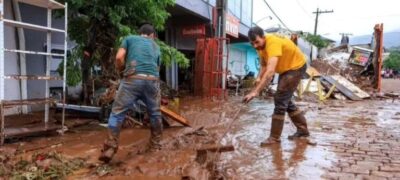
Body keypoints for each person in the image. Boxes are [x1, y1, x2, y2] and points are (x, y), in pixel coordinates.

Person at [99, 24, 162, 163]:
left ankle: (110, 148)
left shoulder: (129, 39)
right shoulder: (156, 46)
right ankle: (155, 147)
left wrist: (122, 71)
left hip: (132, 78)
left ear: (140, 33)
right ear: (152, 35)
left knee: (117, 113)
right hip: (152, 81)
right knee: (155, 114)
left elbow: (119, 58)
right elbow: (157, 68)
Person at [243, 26, 310, 146]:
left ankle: (274, 138)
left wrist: (255, 91)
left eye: (257, 42)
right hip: (286, 69)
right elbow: (264, 65)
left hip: (296, 67)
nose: (255, 46)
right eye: (252, 43)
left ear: (263, 37)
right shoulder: (260, 47)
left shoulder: (272, 43)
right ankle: (303, 130)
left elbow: (270, 72)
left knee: (280, 99)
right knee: (285, 99)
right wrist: (258, 77)